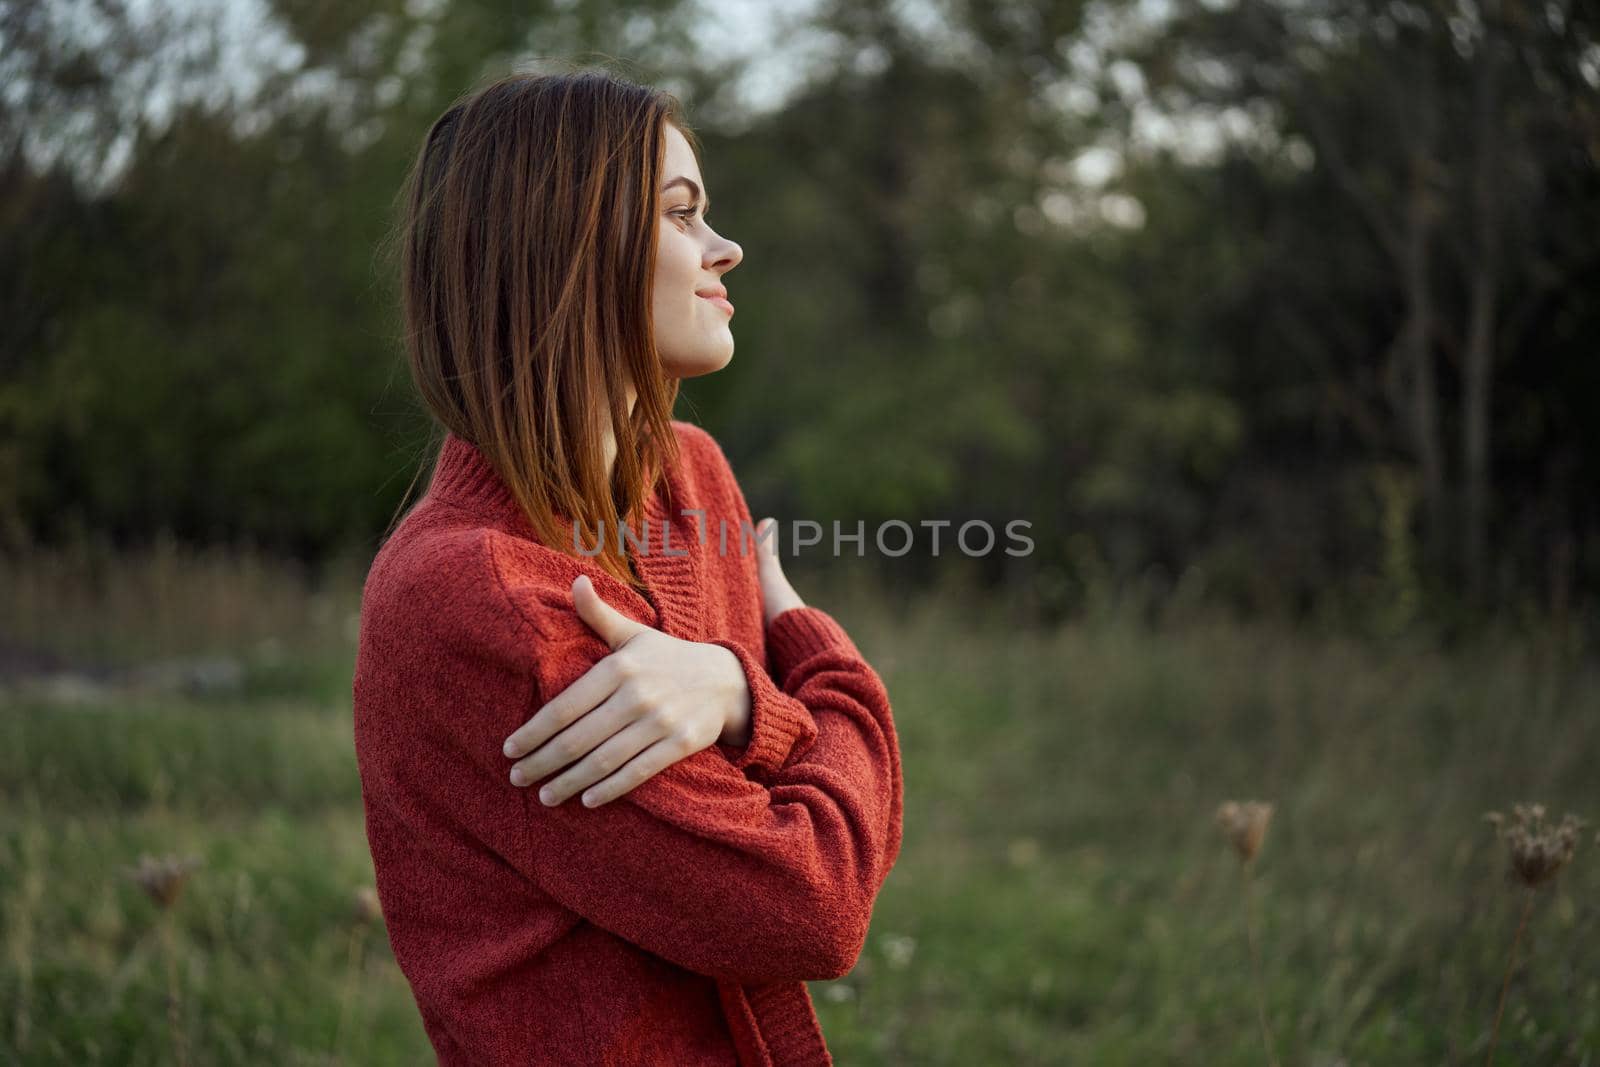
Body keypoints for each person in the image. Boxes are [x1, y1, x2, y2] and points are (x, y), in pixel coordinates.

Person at [351, 67, 904, 1066]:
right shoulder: (474, 596)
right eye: (681, 213)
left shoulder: (693, 482)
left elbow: (778, 790)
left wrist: (737, 692)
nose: (723, 248)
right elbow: (813, 897)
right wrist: (809, 662)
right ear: (563, 245)